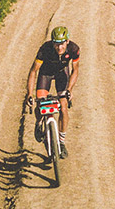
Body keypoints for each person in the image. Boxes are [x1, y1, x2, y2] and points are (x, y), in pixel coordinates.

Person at [26, 25, 79, 157]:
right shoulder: (45, 49)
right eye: (56, 44)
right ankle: (39, 123)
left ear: (67, 41)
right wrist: (29, 94)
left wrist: (69, 90)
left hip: (62, 74)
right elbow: (33, 71)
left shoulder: (74, 49)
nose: (59, 48)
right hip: (46, 73)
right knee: (40, 103)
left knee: (64, 107)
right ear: (52, 43)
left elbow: (75, 70)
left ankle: (61, 142)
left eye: (62, 44)